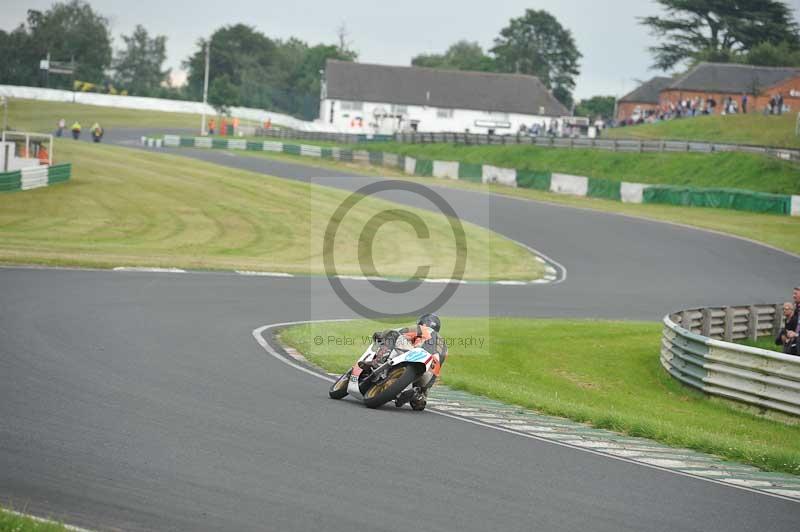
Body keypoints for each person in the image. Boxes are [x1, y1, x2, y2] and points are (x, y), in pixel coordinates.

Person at [371, 313, 447, 408]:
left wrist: (381, 334)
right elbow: (437, 369)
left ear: (422, 323)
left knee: (393, 334)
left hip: (416, 355)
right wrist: (425, 389)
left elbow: (399, 331)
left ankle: (378, 362)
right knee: (421, 394)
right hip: (429, 373)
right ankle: (419, 396)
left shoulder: (423, 329)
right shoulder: (444, 346)